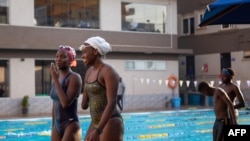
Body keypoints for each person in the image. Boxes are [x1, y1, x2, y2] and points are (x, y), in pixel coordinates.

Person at [79, 36, 124, 141]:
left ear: (95, 51)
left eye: (85, 52)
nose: (82, 56)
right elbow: (84, 105)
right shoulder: (89, 72)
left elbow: (111, 103)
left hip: (111, 120)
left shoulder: (108, 71)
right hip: (96, 121)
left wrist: (98, 130)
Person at [50, 45, 82, 141]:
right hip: (57, 124)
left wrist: (55, 78)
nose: (59, 59)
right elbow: (55, 104)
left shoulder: (74, 78)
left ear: (70, 60)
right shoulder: (56, 78)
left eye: (63, 57)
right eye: (57, 56)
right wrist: (53, 125)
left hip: (71, 124)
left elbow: (65, 103)